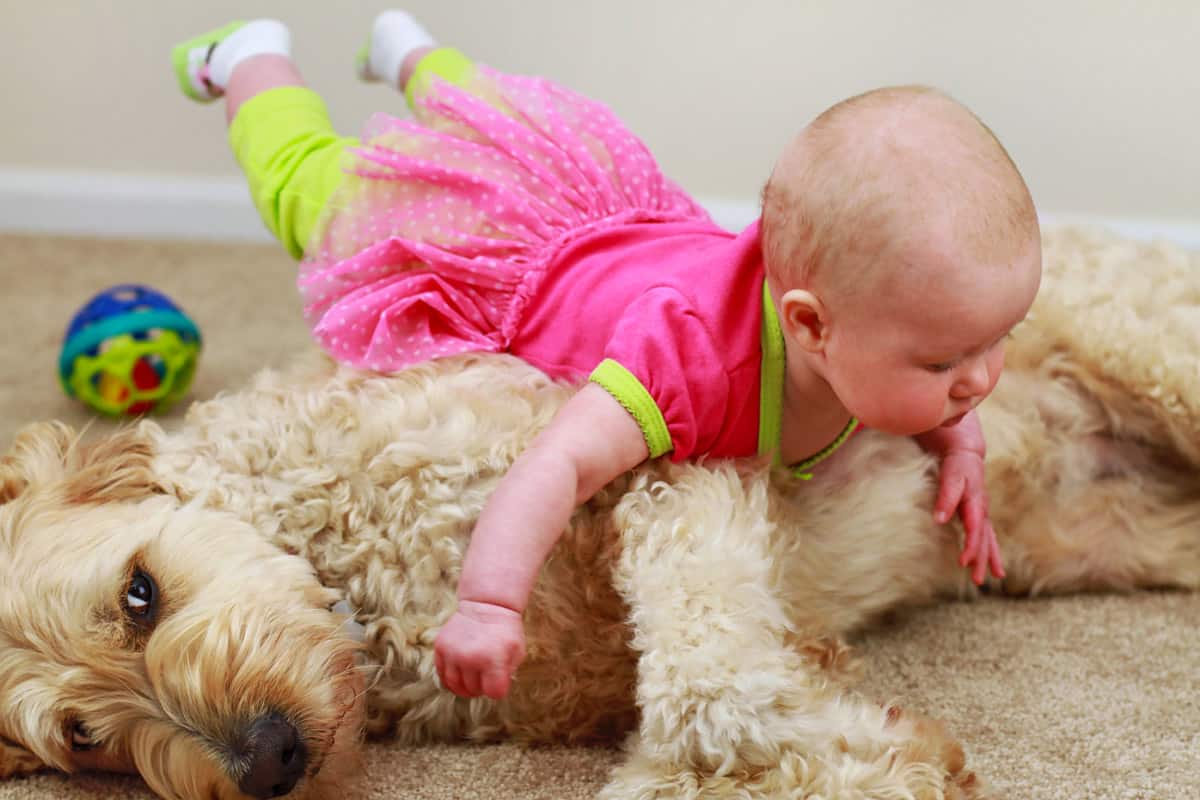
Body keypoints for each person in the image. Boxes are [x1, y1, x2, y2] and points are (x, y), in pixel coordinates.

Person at [172, 11, 1042, 701]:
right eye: (944, 365)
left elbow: (929, 385)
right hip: (505, 255)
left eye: (996, 340)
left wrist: (956, 439)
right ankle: (251, 58)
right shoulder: (688, 368)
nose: (980, 378)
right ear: (809, 327)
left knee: (489, 111)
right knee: (312, 190)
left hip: (611, 218)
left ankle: (409, 48)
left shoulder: (876, 322)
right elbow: (552, 466)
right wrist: (488, 603)